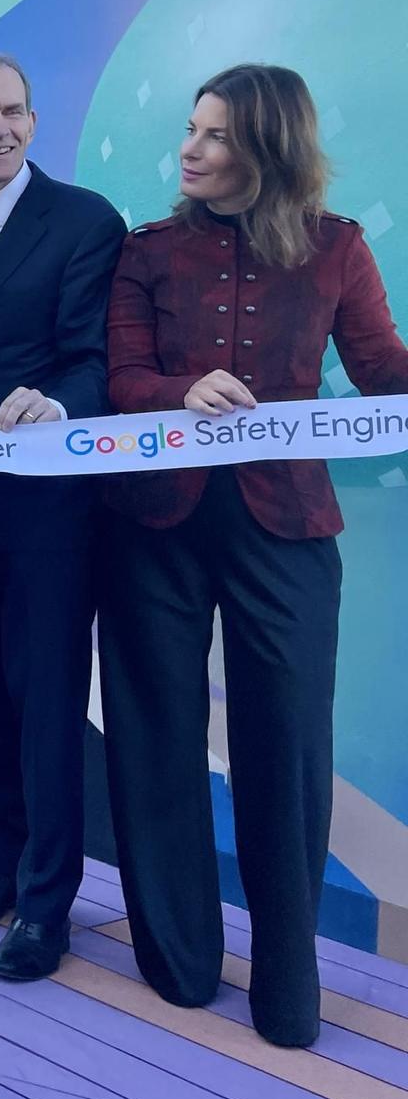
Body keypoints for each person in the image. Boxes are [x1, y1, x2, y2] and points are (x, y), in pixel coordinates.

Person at [99, 65, 408, 1047]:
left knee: (285, 749)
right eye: (189, 129)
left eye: (214, 136)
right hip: (155, 528)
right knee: (154, 738)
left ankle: (286, 982)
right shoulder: (143, 251)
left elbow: (380, 371)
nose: (187, 150)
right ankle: (178, 961)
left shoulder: (333, 249)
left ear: (265, 150)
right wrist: (175, 391)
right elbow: (120, 376)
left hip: (287, 529)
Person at [0, 51, 126, 981]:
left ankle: (47, 906)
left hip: (47, 511)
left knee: (43, 701)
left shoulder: (84, 221)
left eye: (13, 111)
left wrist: (55, 404)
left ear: (33, 122)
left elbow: (95, 361)